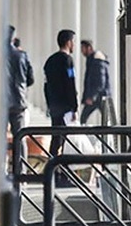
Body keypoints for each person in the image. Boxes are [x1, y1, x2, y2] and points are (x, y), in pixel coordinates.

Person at [0, 25, 34, 165]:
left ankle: (0, 169)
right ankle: (20, 171)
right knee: (20, 137)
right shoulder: (21, 55)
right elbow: (31, 79)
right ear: (13, 38)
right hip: (18, 102)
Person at [43, 29, 78, 161]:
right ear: (68, 42)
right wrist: (74, 107)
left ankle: (52, 166)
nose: (74, 44)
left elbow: (45, 85)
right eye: (73, 41)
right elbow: (70, 83)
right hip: (65, 108)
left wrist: (49, 104)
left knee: (55, 138)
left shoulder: (49, 61)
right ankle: (62, 169)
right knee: (65, 139)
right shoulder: (68, 61)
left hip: (54, 105)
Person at [79, 38, 111, 125]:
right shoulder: (93, 60)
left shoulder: (97, 61)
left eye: (83, 48)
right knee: (106, 119)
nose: (81, 51)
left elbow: (99, 81)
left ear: (89, 48)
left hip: (98, 96)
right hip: (99, 95)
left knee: (84, 118)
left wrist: (92, 96)